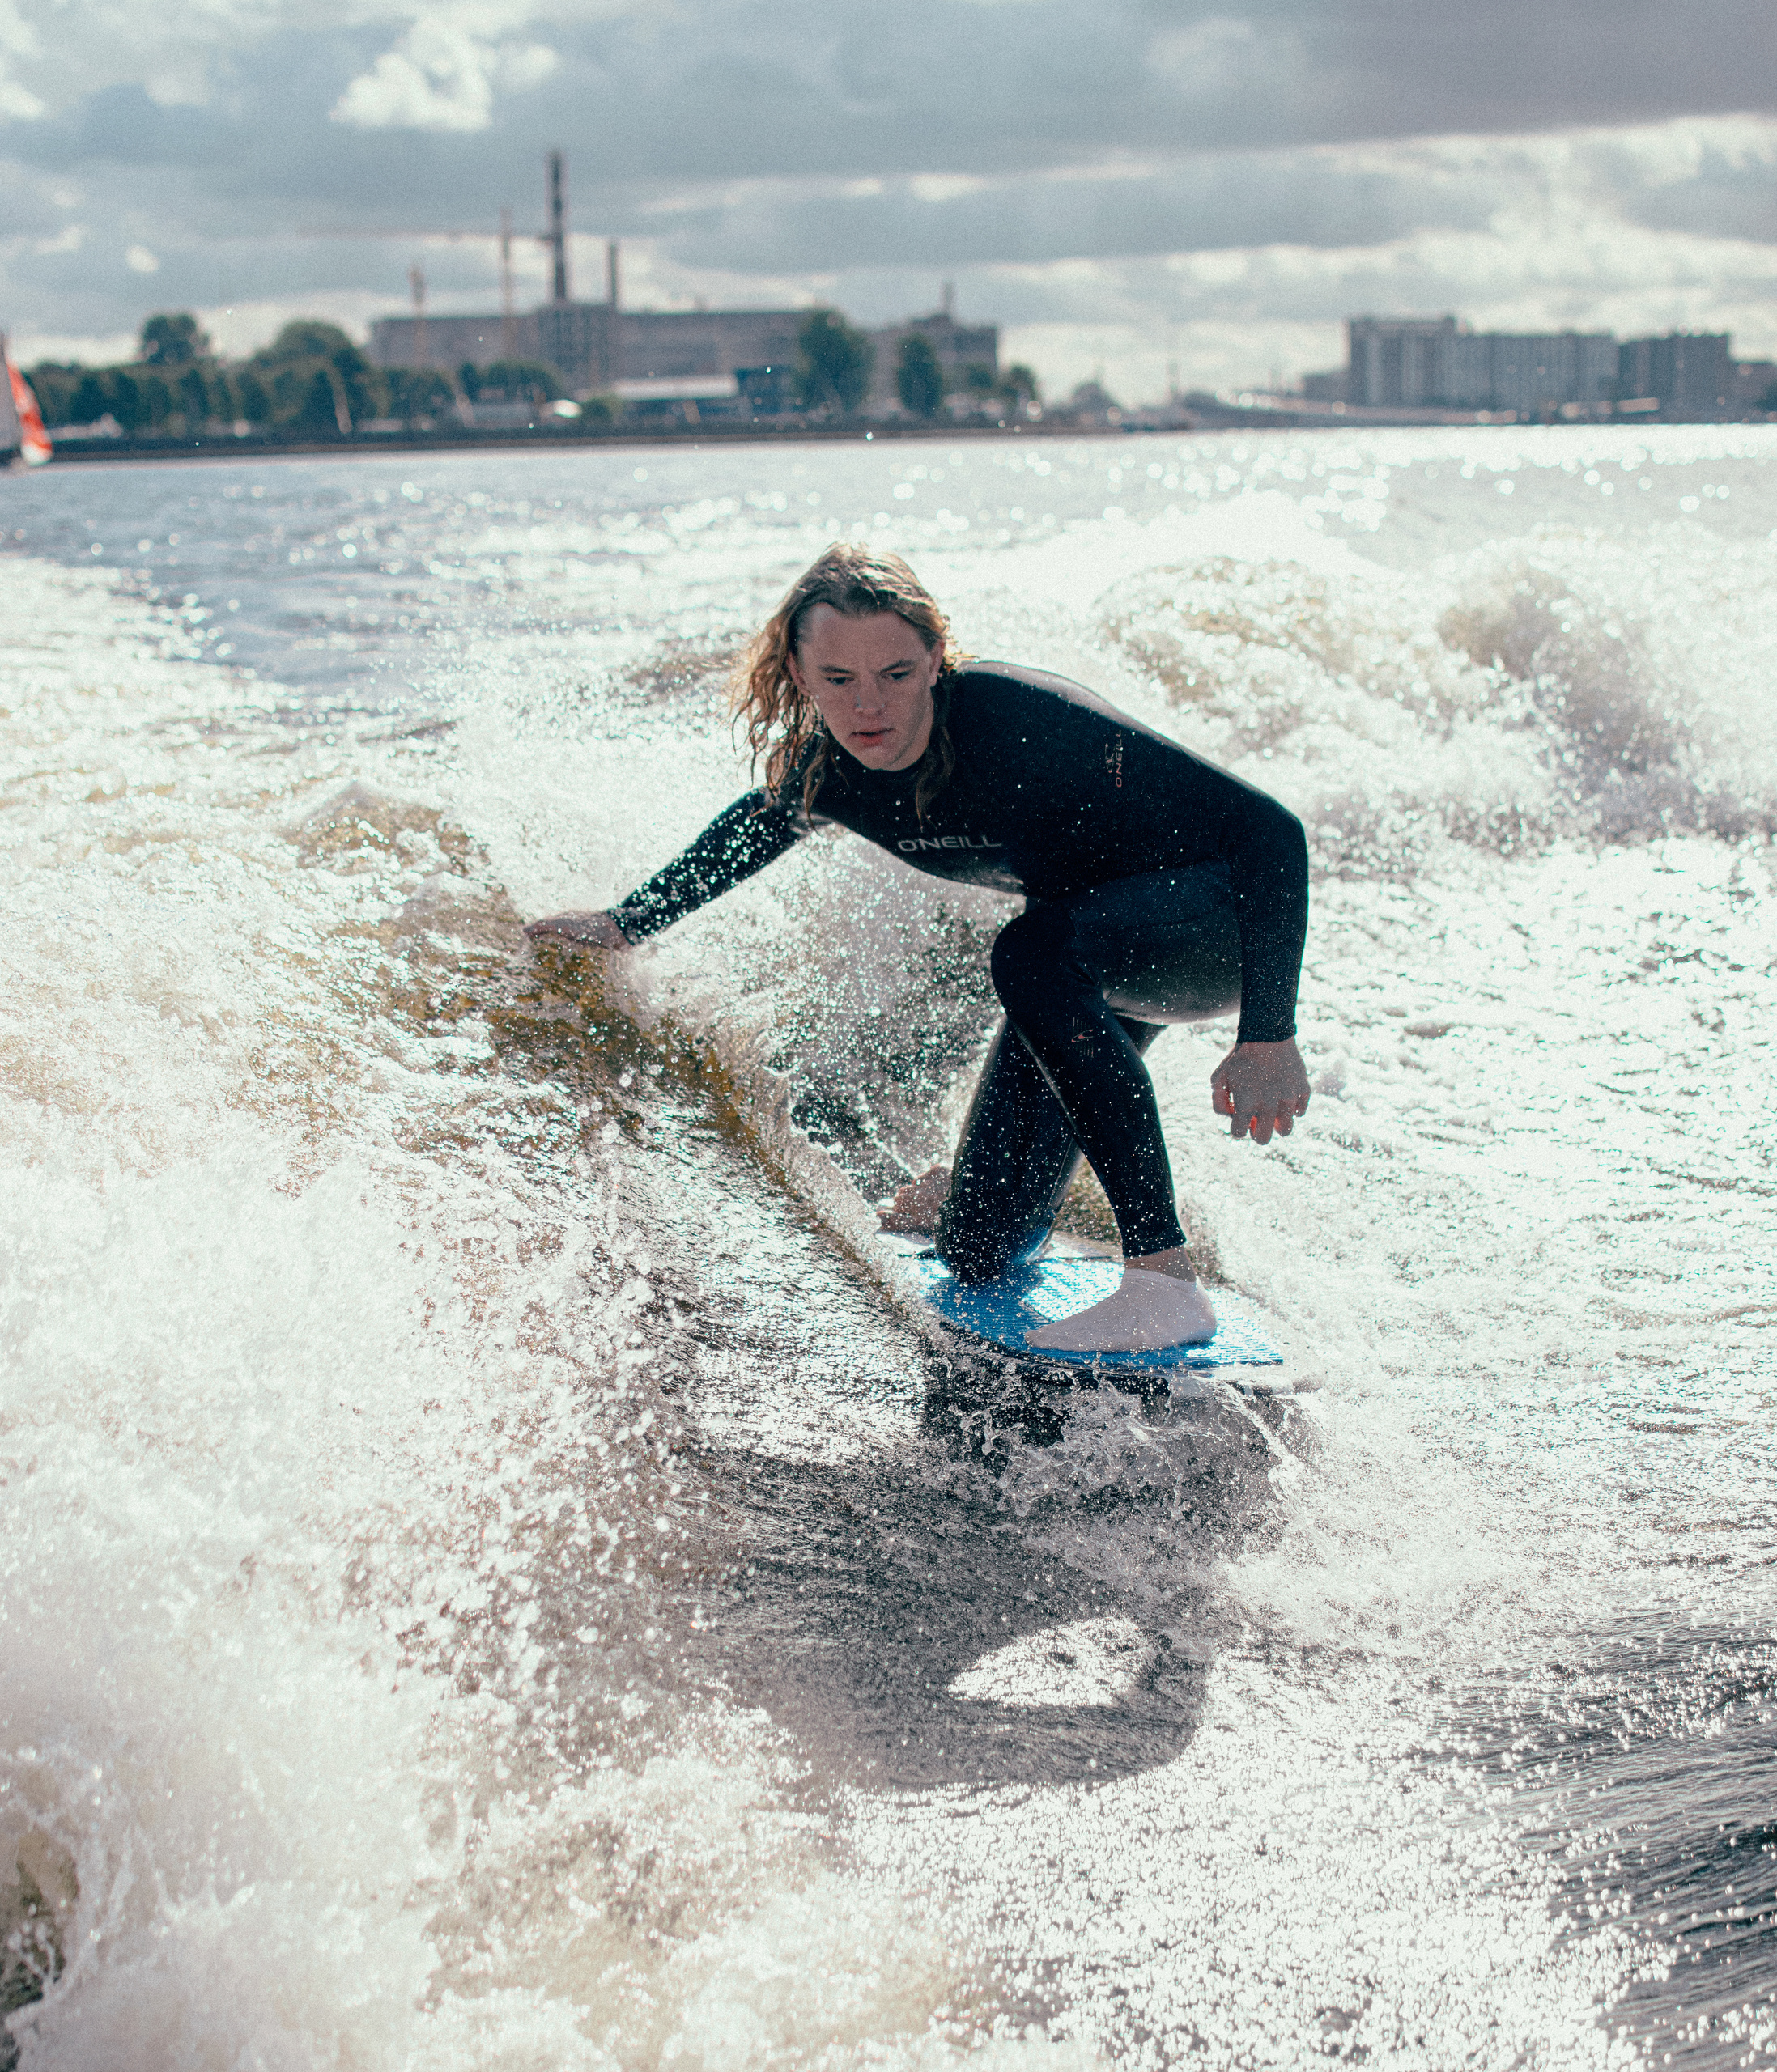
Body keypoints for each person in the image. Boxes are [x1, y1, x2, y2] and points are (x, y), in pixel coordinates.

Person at [527, 544, 1310, 1352]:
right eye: (838, 680)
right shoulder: (832, 773)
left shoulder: (1023, 721)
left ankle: (1160, 1279)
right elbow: (749, 830)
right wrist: (622, 923)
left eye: (895, 674)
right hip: (1096, 952)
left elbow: (1269, 832)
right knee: (975, 1253)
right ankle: (973, 1201)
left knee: (1028, 955)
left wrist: (1267, 1035)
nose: (869, 706)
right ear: (798, 675)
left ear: (935, 658)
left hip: (1214, 923)